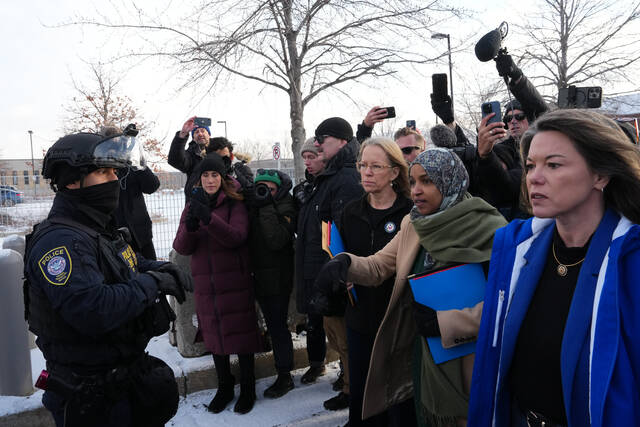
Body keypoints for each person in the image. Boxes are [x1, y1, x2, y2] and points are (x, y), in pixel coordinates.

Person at [469, 109, 640, 427]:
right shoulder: (514, 248)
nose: (533, 176)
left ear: (600, 175)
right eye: (531, 165)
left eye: (554, 164)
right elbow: (491, 366)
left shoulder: (631, 260)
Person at [312, 148, 506, 425]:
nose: (416, 190)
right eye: (413, 182)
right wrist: (345, 263)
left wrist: (447, 324)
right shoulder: (414, 224)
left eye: (427, 181)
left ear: (450, 181)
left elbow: (507, 305)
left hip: (468, 358)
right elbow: (379, 266)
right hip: (421, 351)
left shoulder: (491, 229)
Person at [24, 131, 193, 427]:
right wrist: (152, 283)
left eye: (115, 171)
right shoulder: (60, 242)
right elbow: (92, 309)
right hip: (89, 397)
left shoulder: (94, 226)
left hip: (120, 382)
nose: (114, 179)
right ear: (72, 181)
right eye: (103, 172)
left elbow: (126, 261)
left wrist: (158, 267)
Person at [172, 153, 262, 415]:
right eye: (205, 175)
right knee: (214, 337)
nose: (210, 180)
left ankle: (248, 388)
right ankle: (225, 387)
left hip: (234, 280)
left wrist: (209, 219)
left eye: (215, 175)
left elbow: (236, 236)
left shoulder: (235, 202)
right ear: (199, 179)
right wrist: (191, 225)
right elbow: (181, 247)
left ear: (222, 178)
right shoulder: (192, 204)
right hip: (206, 284)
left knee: (242, 337)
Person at [337, 137, 413, 426]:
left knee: (398, 400)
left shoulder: (410, 213)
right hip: (359, 318)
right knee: (363, 394)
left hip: (397, 321)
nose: (366, 172)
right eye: (362, 165)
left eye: (375, 166)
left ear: (394, 172)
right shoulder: (350, 212)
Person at [294, 117, 363, 412]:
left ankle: (356, 398)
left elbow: (345, 236)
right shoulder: (327, 179)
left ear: (343, 142)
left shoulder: (345, 180)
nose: (318, 143)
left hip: (335, 279)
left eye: (324, 139)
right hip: (322, 277)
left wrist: (335, 280)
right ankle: (351, 390)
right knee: (339, 341)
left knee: (347, 345)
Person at [475, 53, 548, 220]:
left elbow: (542, 113)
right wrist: (485, 156)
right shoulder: (501, 150)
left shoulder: (543, 143)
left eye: (520, 117)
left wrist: (516, 77)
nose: (513, 122)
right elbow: (503, 186)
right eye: (508, 119)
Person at [246, 168, 297, 399]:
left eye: (270, 189)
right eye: (261, 187)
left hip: (277, 278)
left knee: (278, 327)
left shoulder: (287, 205)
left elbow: (276, 239)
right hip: (256, 275)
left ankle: (285, 375)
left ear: (279, 190)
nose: (265, 191)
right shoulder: (254, 204)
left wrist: (265, 205)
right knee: (267, 324)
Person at [100, 125, 161, 260]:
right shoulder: (98, 170)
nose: (114, 150)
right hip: (113, 239)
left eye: (117, 145)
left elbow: (152, 186)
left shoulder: (131, 166)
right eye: (110, 145)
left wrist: (138, 164)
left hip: (141, 236)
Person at [168, 116, 212, 199]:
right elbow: (175, 161)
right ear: (193, 138)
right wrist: (183, 134)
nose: (200, 134)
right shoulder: (190, 154)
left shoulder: (218, 151)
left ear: (209, 134)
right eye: (196, 132)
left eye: (203, 131)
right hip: (195, 203)